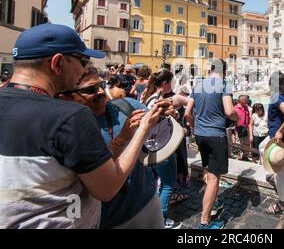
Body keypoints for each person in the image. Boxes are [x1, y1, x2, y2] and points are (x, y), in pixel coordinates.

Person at [0, 23, 169, 229]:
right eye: (82, 60)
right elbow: (107, 188)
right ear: (58, 63)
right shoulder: (69, 117)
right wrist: (142, 130)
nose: (84, 69)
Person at [59, 65, 164, 229]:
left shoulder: (124, 106)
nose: (100, 92)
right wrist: (122, 138)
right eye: (90, 89)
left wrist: (169, 110)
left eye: (100, 85)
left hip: (148, 201)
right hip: (110, 218)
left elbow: (160, 122)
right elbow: (100, 175)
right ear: (67, 97)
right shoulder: (70, 129)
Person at [185, 59, 239, 229]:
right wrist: (238, 120)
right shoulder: (224, 84)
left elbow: (187, 113)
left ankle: (211, 204)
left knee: (209, 171)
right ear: (224, 71)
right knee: (215, 177)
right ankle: (205, 220)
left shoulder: (198, 85)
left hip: (200, 134)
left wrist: (196, 128)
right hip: (216, 135)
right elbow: (230, 111)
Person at [141, 69, 184, 229]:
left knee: (156, 184)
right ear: (165, 83)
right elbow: (168, 117)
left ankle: (153, 215)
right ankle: (162, 220)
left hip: (149, 146)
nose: (172, 85)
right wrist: (175, 113)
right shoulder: (159, 101)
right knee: (167, 184)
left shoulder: (148, 97)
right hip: (162, 147)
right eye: (171, 82)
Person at [265, 71, 284, 214]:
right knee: (261, 147)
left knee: (281, 171)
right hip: (281, 136)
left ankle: (283, 202)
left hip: (278, 137)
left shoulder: (277, 97)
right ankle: (272, 172)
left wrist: (280, 131)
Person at [233, 95, 252, 161]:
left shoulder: (246, 107)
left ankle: (245, 156)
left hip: (245, 128)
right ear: (240, 100)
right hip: (238, 128)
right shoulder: (235, 108)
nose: (246, 101)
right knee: (239, 143)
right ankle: (239, 156)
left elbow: (248, 117)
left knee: (246, 143)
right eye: (245, 100)